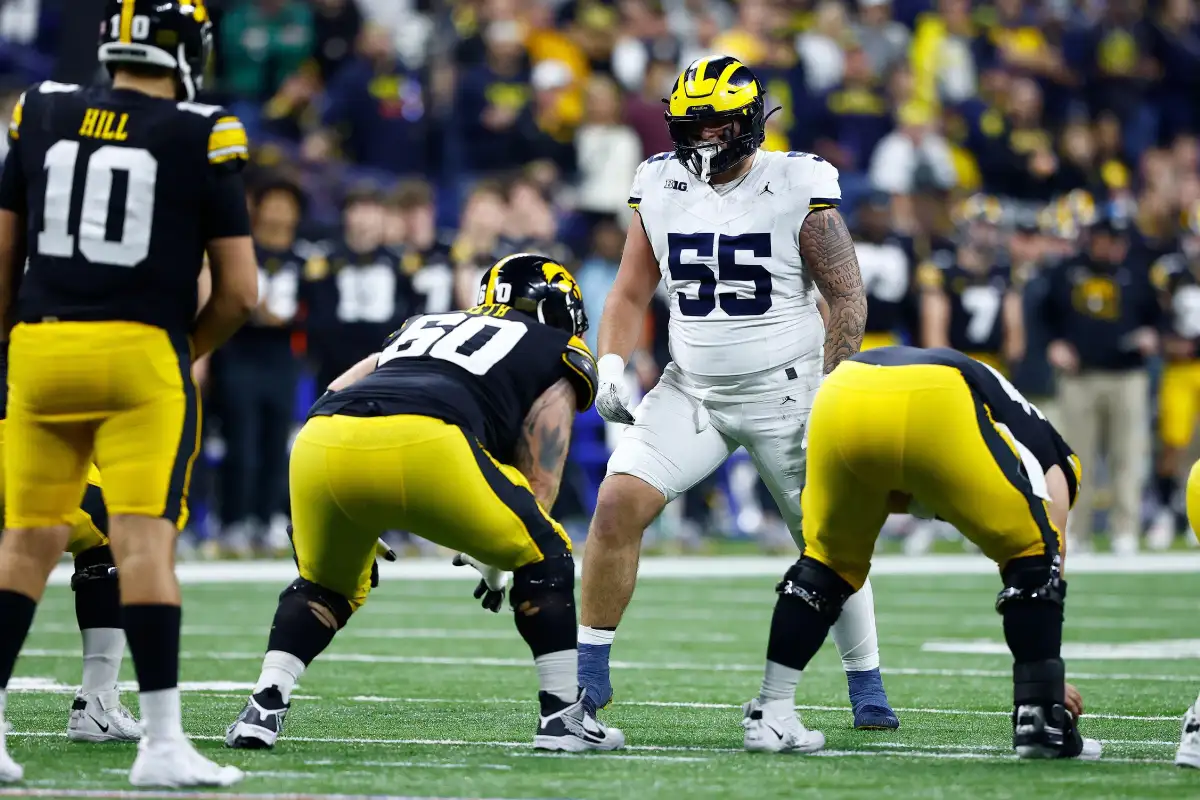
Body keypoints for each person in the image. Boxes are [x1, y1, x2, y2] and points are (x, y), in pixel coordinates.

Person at [582, 55, 897, 731]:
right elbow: (630, 291)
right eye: (691, 124)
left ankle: (866, 682)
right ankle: (586, 676)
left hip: (789, 391)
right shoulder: (657, 182)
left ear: (749, 123)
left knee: (829, 541)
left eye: (717, 124)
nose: (703, 137)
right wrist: (610, 363)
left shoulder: (795, 181)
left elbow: (846, 297)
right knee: (615, 505)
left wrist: (836, 390)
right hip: (690, 389)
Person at [0, 0, 259, 786]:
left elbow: (3, 254)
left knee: (24, 542)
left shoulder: (40, 109)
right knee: (141, 541)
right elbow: (240, 292)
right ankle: (162, 745)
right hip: (140, 351)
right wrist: (183, 353)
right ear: (187, 53)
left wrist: (12, 350)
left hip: (39, 347)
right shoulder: (204, 129)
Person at [225, 254, 624, 753]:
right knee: (549, 553)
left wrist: (334, 507)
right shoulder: (556, 346)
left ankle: (264, 704)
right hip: (428, 441)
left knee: (325, 585)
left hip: (322, 442)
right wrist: (501, 558)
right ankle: (563, 717)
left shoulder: (423, 324)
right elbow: (539, 481)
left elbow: (335, 391)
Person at [742, 345, 1100, 760]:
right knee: (1032, 551)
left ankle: (772, 712)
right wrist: (1045, 676)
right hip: (935, 396)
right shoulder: (1058, 459)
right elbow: (1049, 544)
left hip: (842, 391)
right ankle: (1041, 719)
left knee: (826, 564)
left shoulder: (1006, 413)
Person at [918, 194, 1024, 376]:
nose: (987, 233)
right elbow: (934, 339)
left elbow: (1015, 338)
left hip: (994, 366)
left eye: (993, 226)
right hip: (954, 367)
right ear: (965, 226)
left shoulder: (1006, 274)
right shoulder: (943, 273)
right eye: (981, 225)